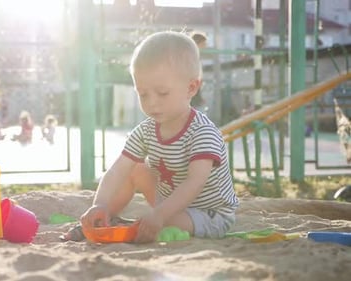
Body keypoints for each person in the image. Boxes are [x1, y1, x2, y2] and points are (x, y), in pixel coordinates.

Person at [62, 31, 238, 243]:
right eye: (143, 94)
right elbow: (118, 169)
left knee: (167, 219)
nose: (152, 103)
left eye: (162, 93)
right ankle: (105, 218)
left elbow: (195, 182)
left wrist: (159, 214)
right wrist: (99, 203)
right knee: (134, 168)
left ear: (191, 88)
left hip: (208, 213)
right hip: (170, 203)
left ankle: (139, 225)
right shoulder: (146, 130)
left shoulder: (202, 132)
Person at [190, 31, 207, 112]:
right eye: (203, 43)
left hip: (195, 93)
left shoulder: (196, 57)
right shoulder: (191, 57)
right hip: (191, 94)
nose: (205, 46)